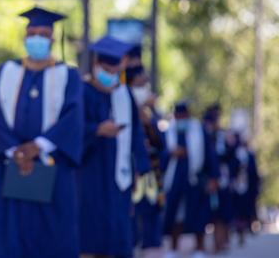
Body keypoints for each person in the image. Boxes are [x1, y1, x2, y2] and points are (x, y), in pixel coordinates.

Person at [0, 7, 84, 258]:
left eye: (43, 33)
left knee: (53, 237)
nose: (37, 38)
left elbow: (73, 117)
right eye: (32, 33)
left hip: (53, 166)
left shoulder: (68, 75)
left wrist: (38, 147)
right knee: (7, 237)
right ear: (25, 37)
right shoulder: (7, 71)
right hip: (12, 164)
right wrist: (17, 151)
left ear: (52, 38)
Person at [79, 35, 151, 258]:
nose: (110, 75)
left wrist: (139, 167)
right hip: (90, 174)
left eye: (114, 70)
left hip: (120, 177)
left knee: (119, 235)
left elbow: (137, 133)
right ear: (96, 64)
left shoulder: (124, 94)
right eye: (106, 69)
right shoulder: (82, 92)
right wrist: (96, 130)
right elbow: (72, 130)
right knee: (91, 235)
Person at [162, 102, 218, 258]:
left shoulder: (199, 130)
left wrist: (214, 177)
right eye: (177, 116)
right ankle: (173, 248)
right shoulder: (169, 131)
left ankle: (199, 248)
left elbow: (210, 155)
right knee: (175, 215)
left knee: (198, 215)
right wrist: (171, 153)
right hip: (175, 180)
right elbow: (161, 154)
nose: (180, 119)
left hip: (195, 178)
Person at [127, 64, 167, 256]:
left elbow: (160, 144)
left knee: (150, 214)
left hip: (150, 172)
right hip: (128, 170)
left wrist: (148, 123)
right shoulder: (122, 100)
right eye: (141, 81)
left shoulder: (151, 113)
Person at [202, 104, 236, 252]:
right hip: (206, 179)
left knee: (222, 214)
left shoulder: (223, 136)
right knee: (207, 214)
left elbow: (230, 157)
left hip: (222, 180)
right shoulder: (204, 135)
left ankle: (220, 242)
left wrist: (231, 144)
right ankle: (207, 245)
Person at [231, 134, 260, 246]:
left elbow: (254, 173)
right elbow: (232, 170)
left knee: (245, 211)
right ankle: (239, 232)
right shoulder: (234, 155)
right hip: (237, 188)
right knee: (237, 212)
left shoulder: (250, 156)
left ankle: (245, 229)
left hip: (248, 189)